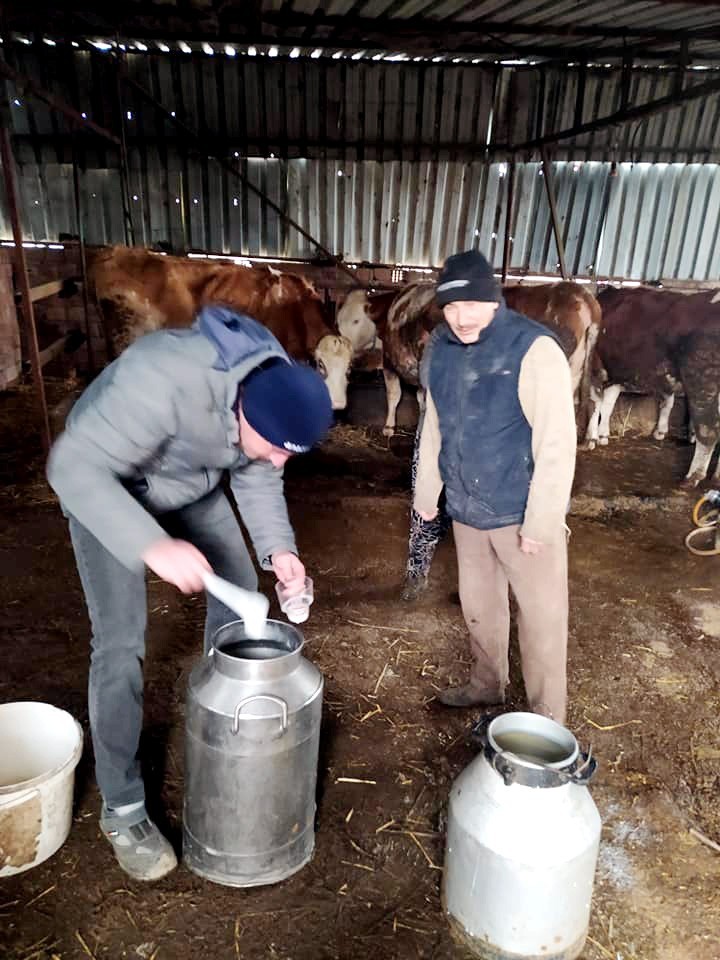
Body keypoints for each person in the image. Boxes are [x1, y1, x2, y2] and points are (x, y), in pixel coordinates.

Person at [46, 304, 333, 882]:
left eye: (289, 453)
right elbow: (70, 466)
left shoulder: (267, 388)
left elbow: (258, 470)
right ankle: (122, 807)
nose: (280, 460)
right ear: (243, 409)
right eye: (276, 445)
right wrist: (153, 546)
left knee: (239, 589)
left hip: (187, 480)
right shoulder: (160, 379)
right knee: (120, 642)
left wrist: (282, 551)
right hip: (107, 485)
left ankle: (220, 717)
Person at [413, 250, 577, 723]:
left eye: (471, 305)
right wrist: (428, 496)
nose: (460, 318)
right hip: (467, 508)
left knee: (542, 621)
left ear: (494, 301)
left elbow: (557, 444)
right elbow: (435, 426)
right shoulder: (440, 349)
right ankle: (487, 684)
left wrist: (541, 522)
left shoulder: (533, 349)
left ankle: (547, 721)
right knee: (480, 606)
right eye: (449, 307)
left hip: (520, 512)